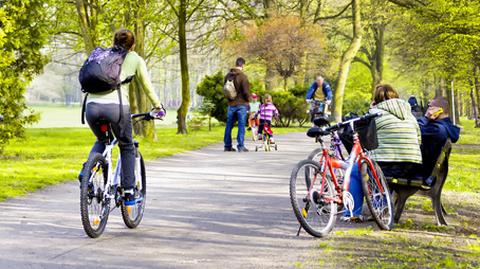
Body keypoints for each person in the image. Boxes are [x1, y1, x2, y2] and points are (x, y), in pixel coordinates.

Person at [84, 29, 163, 207]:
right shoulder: (134, 58)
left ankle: (86, 173)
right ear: (133, 44)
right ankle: (128, 192)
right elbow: (147, 86)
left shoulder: (101, 55)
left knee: (102, 140)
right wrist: (158, 107)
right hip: (117, 109)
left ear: (114, 41)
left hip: (91, 108)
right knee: (126, 145)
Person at [345, 84, 422, 220]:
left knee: (355, 171)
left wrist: (371, 109)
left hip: (386, 166)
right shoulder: (410, 116)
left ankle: (352, 213)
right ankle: (381, 206)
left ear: (376, 100)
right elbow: (419, 139)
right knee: (377, 166)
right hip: (411, 167)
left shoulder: (375, 114)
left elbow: (364, 142)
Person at [417, 96, 460, 185]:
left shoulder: (436, 129)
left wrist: (426, 118)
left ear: (439, 110)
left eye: (430, 106)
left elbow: (414, 130)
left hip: (421, 173)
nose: (427, 108)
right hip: (427, 172)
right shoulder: (447, 127)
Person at [224, 57, 251, 152]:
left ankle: (227, 146)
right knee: (241, 125)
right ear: (242, 65)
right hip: (241, 104)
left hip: (231, 104)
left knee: (229, 125)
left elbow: (225, 90)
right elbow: (246, 92)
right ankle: (241, 146)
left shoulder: (228, 76)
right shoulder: (243, 77)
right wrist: (248, 101)